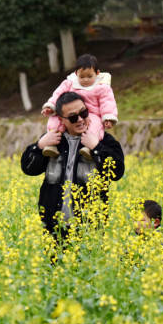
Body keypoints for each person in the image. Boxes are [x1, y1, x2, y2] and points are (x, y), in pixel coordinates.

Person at [21, 91, 125, 236]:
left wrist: (96, 148)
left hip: (89, 230)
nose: (80, 120)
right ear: (61, 119)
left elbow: (118, 172)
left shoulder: (103, 141)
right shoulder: (53, 140)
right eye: (73, 117)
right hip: (54, 229)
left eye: (83, 113)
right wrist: (39, 145)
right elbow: (28, 168)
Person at [41, 54, 118, 160]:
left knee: (94, 125)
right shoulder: (70, 83)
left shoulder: (102, 87)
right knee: (54, 119)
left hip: (92, 113)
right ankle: (52, 143)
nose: (85, 80)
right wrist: (51, 106)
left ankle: (89, 147)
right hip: (70, 110)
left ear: (97, 73)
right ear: (76, 73)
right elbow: (58, 94)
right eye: (82, 76)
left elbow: (107, 102)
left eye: (89, 76)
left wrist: (108, 117)